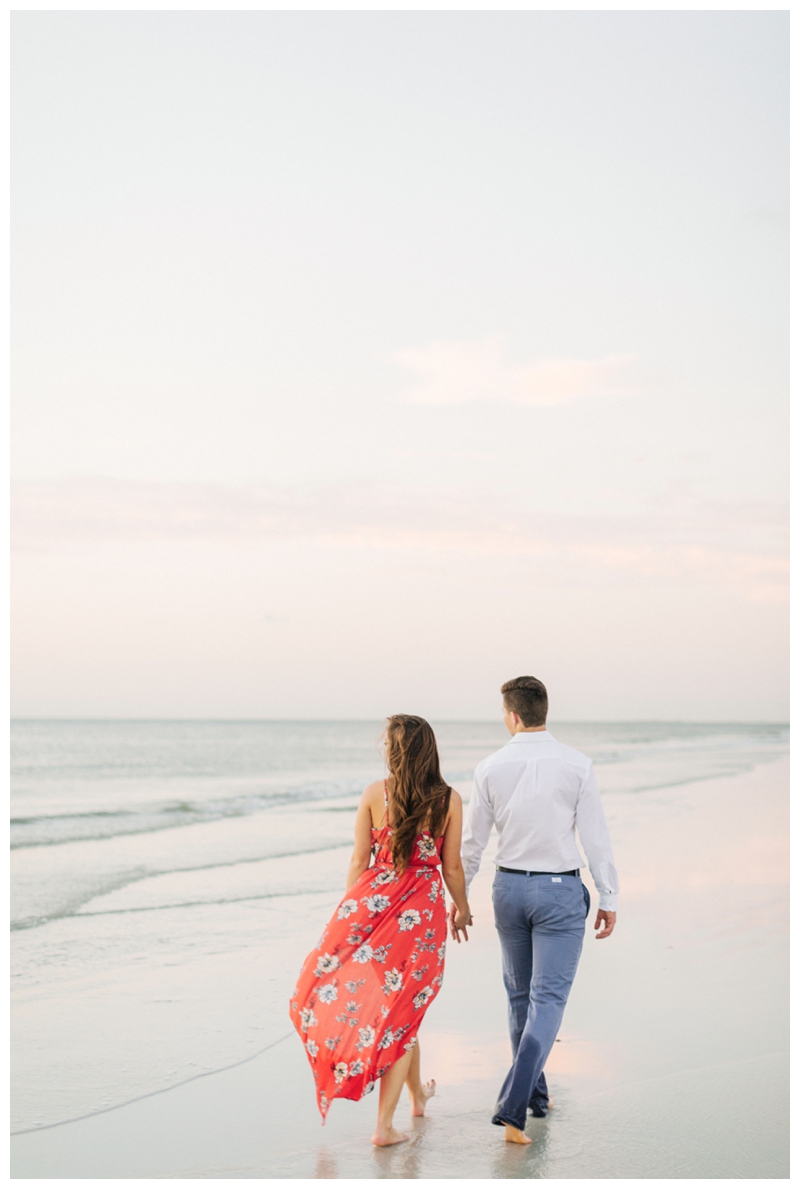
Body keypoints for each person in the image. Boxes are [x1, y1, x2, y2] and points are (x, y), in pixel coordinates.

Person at [449, 675, 619, 1145]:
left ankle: (535, 1096)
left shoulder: (490, 767)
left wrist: (460, 904)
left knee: (520, 997)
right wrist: (608, 896)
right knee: (548, 1000)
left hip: (508, 890)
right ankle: (515, 1101)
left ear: (512, 715)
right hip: (560, 891)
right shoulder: (577, 765)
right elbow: (596, 837)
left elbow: (472, 847)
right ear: (544, 711)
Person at [290, 714, 472, 1147]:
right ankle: (384, 1128)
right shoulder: (449, 799)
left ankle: (418, 1099)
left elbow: (358, 861)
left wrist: (350, 919)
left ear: (395, 750)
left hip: (373, 907)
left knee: (401, 1014)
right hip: (422, 916)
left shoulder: (375, 794)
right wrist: (461, 909)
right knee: (403, 1016)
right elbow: (452, 866)